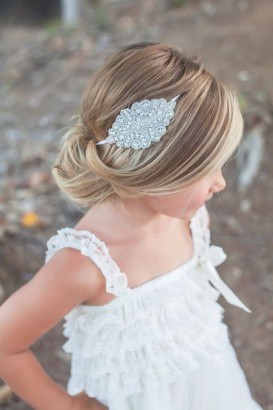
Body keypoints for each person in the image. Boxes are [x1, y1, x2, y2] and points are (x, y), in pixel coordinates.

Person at [0, 42, 263, 410]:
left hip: (213, 387)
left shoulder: (191, 220)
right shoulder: (85, 266)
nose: (220, 183)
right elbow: (5, 343)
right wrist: (71, 407)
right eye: (205, 170)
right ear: (155, 171)